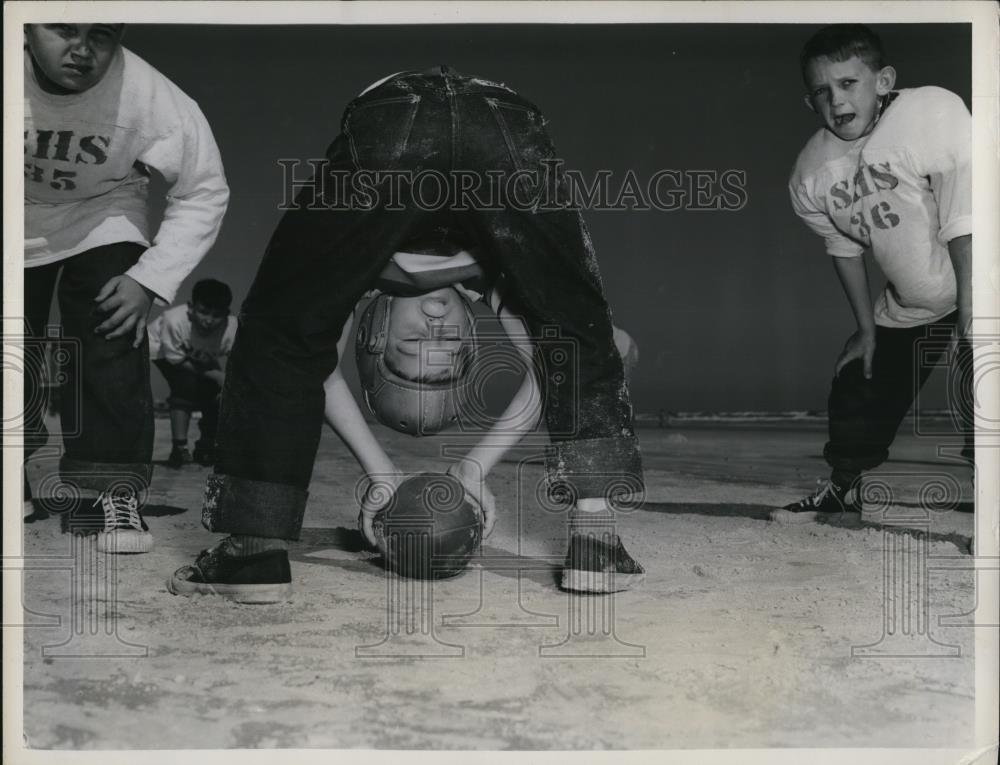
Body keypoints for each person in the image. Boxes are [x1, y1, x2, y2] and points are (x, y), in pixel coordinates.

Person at [167, 67, 643, 602]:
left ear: (372, 333)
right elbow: (590, 350)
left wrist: (380, 471)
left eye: (414, 346)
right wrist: (475, 466)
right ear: (472, 339)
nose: (437, 328)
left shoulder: (360, 276)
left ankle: (253, 553)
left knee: (279, 326)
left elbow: (302, 353)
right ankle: (596, 542)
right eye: (448, 350)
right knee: (580, 330)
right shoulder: (493, 277)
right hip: (505, 128)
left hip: (394, 121)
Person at [23, 23, 229, 552]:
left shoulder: (150, 95)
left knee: (112, 332)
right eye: (64, 30)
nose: (83, 50)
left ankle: (113, 490)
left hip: (104, 214)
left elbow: (204, 190)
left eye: (103, 34)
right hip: (12, 213)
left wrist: (151, 278)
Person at [774, 24, 973, 522]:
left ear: (883, 80)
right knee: (858, 379)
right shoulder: (813, 170)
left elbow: (964, 218)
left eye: (848, 83)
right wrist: (866, 329)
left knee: (986, 382)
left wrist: (974, 315)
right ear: (809, 102)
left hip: (981, 279)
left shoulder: (930, 113)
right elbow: (843, 244)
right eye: (822, 90)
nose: (835, 99)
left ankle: (992, 499)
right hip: (914, 300)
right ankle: (844, 491)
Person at [149, 279, 237, 468]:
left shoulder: (232, 328)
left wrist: (226, 384)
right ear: (191, 307)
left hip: (198, 356)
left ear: (227, 314)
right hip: (162, 350)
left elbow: (237, 364)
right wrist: (219, 377)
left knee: (215, 396)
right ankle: (179, 449)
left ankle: (206, 446)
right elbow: (177, 361)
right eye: (203, 311)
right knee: (185, 385)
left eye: (216, 315)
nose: (208, 320)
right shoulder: (175, 320)